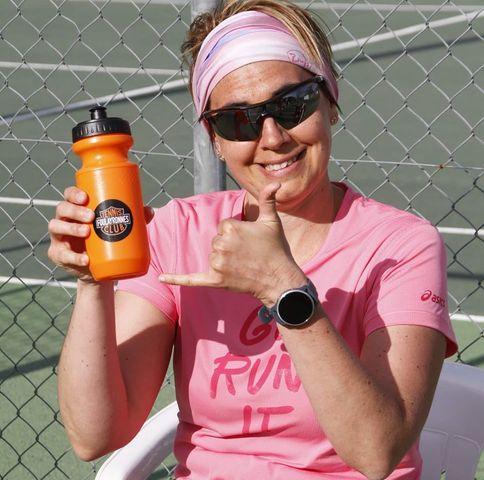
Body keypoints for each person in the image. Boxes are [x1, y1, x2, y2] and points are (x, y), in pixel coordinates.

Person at [48, 1, 458, 479]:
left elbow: (376, 451)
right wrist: (92, 282)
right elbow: (95, 436)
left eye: (292, 105)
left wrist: (284, 290)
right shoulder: (180, 232)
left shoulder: (401, 247)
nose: (273, 137)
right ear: (214, 138)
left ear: (330, 101)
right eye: (238, 120)